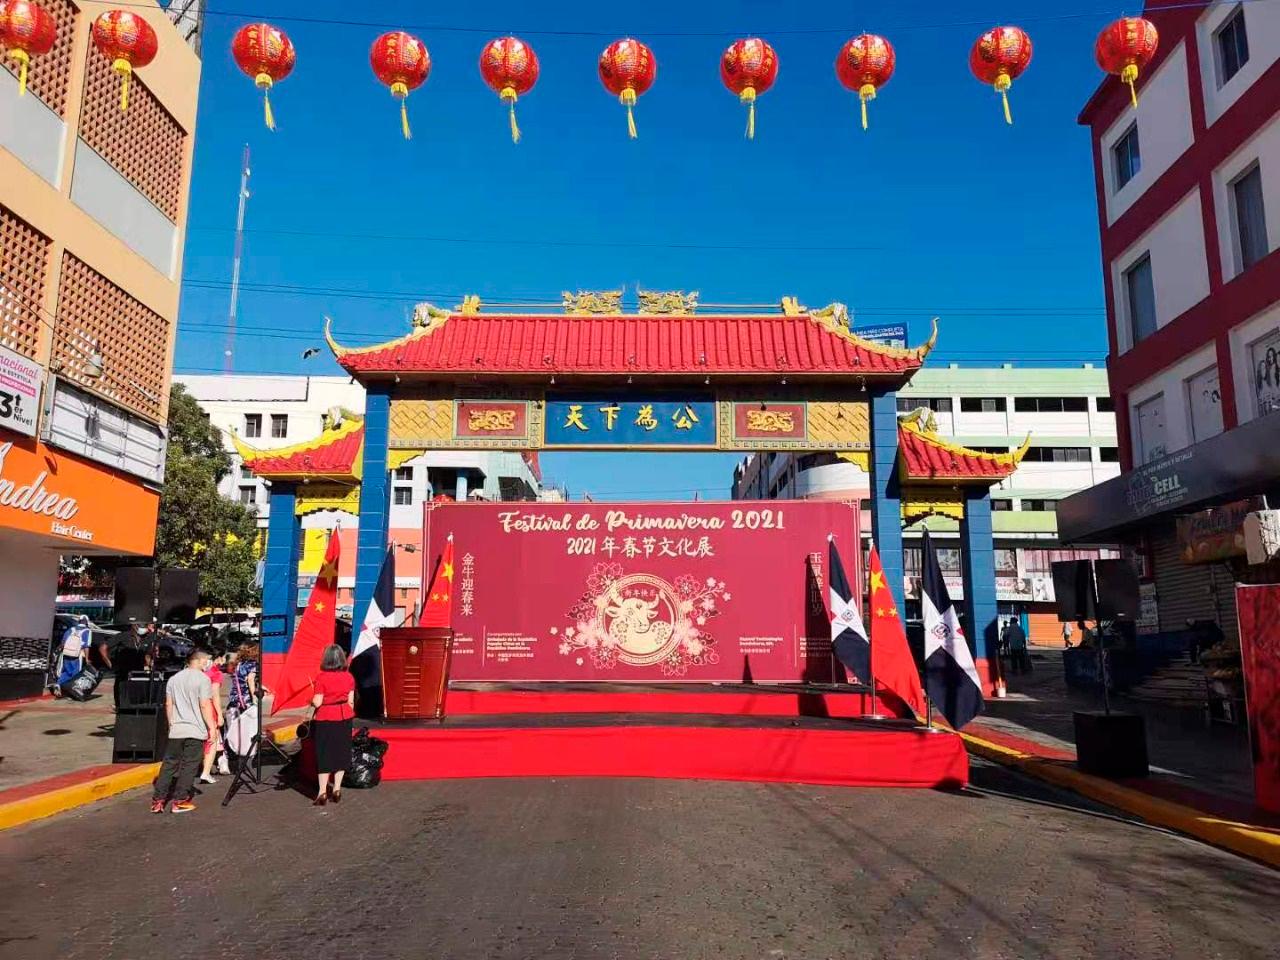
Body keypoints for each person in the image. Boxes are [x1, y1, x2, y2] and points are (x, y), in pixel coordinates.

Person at [151, 647, 217, 814]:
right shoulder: (203, 679)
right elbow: (204, 704)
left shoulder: (174, 679)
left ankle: (158, 800)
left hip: (177, 730)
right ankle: (180, 800)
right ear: (200, 660)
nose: (208, 663)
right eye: (207, 659)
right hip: (195, 730)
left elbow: (168, 704)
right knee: (189, 765)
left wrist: (172, 724)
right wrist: (212, 727)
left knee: (169, 764)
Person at [310, 644, 355, 807]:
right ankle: (336, 789)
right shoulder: (349, 677)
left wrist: (310, 699)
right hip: (344, 716)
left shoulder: (321, 677)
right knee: (341, 753)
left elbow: (317, 702)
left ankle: (322, 792)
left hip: (326, 717)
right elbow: (351, 701)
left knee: (325, 754)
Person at [197, 654, 229, 784]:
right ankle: (206, 772)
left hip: (196, 707)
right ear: (219, 658)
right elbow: (215, 695)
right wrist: (220, 714)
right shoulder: (216, 673)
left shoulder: (198, 671)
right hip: (209, 708)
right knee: (212, 739)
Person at [51, 616, 91, 696]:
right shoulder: (87, 631)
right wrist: (87, 658)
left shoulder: (71, 629)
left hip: (66, 653)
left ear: (79, 621)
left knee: (66, 671)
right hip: (77, 655)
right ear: (86, 622)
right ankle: (70, 691)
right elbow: (86, 646)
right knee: (75, 673)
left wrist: (59, 651)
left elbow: (63, 642)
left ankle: (58, 684)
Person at [227, 641, 262, 720]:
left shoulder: (238, 664)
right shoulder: (252, 664)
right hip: (246, 698)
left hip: (235, 697)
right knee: (249, 722)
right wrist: (254, 697)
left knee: (235, 723)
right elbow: (250, 680)